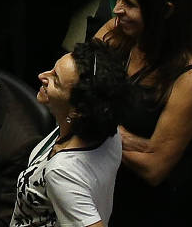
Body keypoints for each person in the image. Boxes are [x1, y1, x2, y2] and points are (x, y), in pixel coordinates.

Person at [90, 0, 192, 224]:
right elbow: (72, 92)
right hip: (91, 171)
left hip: (137, 202)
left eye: (130, 3)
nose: (116, 10)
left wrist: (100, 122)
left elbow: (154, 167)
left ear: (166, 10)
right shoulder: (115, 33)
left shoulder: (189, 80)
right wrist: (132, 140)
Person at [12, 41, 126, 227]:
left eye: (55, 80)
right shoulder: (108, 132)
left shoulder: (62, 172)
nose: (42, 76)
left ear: (77, 110)